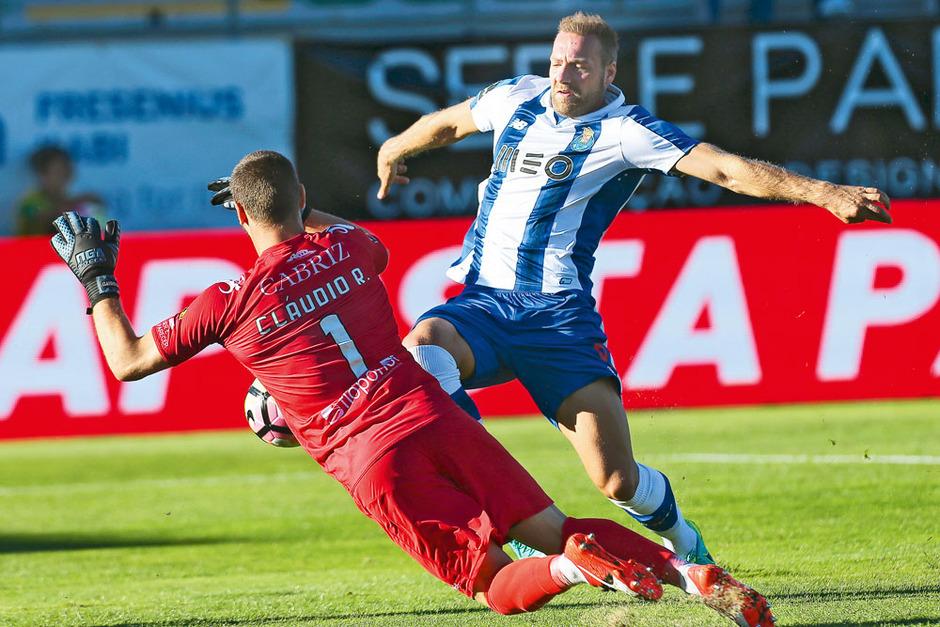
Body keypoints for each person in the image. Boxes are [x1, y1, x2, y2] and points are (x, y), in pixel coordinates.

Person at [50, 150, 773, 625]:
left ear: (238, 216)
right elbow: (371, 240)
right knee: (559, 522)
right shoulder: (346, 247)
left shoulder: (225, 302)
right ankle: (703, 581)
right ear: (302, 199)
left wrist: (95, 277)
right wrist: (301, 214)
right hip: (434, 411)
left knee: (497, 584)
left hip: (372, 458)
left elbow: (128, 359)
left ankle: (566, 569)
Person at [376, 11, 891, 564]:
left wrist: (823, 193)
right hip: (483, 305)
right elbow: (449, 124)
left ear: (608, 71)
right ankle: (505, 508)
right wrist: (393, 149)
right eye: (556, 62)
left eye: (578, 66)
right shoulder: (514, 98)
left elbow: (725, 170)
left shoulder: (627, 132)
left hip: (558, 321)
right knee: (425, 343)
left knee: (617, 482)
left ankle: (684, 540)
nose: (563, 75)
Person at [15, 145, 103, 236]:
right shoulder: (29, 202)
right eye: (59, 171)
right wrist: (76, 203)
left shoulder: (69, 197)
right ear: (42, 174)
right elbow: (41, 219)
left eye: (68, 169)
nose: (66, 175)